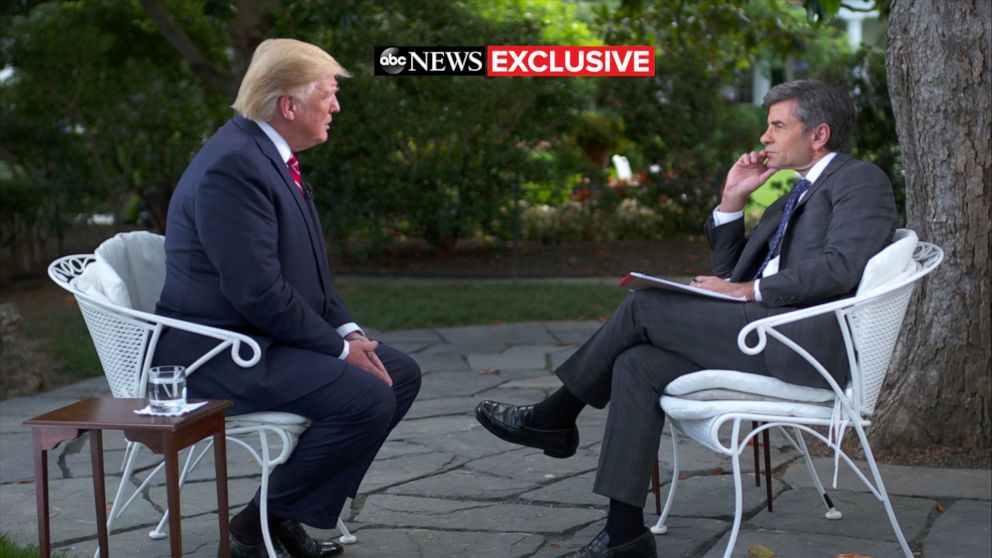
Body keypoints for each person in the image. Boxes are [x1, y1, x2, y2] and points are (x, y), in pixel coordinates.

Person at [475, 80, 897, 558]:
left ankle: (555, 415)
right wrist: (732, 201)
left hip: (801, 345)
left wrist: (746, 290)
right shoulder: (795, 193)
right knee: (635, 362)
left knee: (642, 306)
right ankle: (625, 534)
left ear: (818, 134)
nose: (764, 137)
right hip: (761, 330)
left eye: (777, 126)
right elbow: (730, 271)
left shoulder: (859, 180)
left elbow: (842, 267)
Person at [154, 38, 422, 558]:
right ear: (289, 106)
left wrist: (350, 334)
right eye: (329, 93)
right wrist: (341, 353)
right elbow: (257, 292)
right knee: (366, 396)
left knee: (399, 373)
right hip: (216, 356)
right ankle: (261, 525)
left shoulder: (268, 157)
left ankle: (275, 517)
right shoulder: (233, 167)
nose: (336, 106)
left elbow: (309, 280)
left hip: (261, 340)